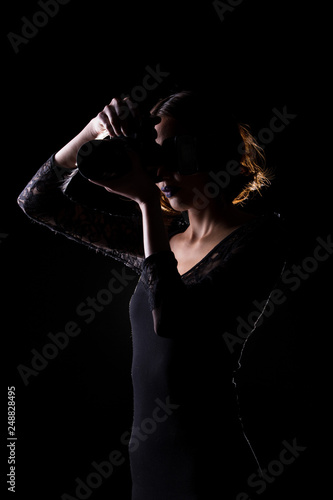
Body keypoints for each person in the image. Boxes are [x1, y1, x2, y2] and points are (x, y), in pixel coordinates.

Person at [17, 90, 287, 499]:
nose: (161, 171)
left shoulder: (261, 237)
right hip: (148, 471)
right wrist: (92, 131)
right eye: (152, 155)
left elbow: (172, 319)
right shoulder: (160, 240)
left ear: (214, 151)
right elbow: (37, 203)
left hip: (212, 470)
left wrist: (145, 202)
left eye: (175, 154)